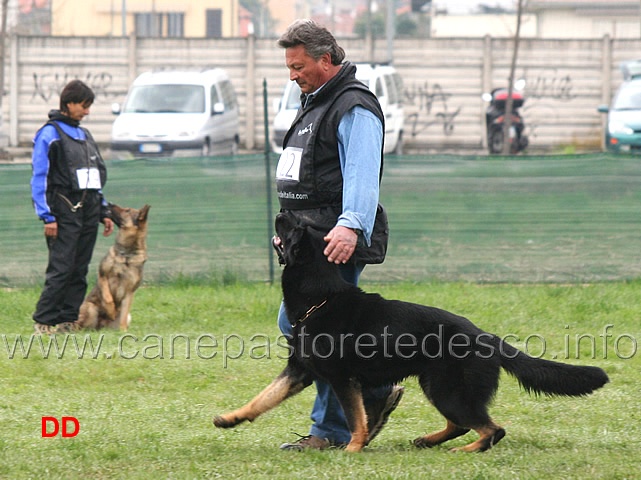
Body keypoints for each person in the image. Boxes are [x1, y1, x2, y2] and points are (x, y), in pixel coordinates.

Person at [274, 19, 403, 451]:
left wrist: (350, 224)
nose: (292, 75)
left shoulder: (354, 106)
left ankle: (331, 431)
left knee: (325, 337)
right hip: (311, 239)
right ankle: (374, 392)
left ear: (325, 59)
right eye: (289, 67)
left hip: (334, 239)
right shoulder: (316, 100)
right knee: (304, 327)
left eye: (298, 66)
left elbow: (363, 175)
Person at [30, 79, 113, 335]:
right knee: (62, 267)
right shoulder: (49, 134)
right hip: (62, 209)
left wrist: (104, 211)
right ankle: (44, 321)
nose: (87, 111)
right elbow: (39, 177)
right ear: (69, 103)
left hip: (88, 209)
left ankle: (68, 320)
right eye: (84, 105)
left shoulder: (85, 135)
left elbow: (94, 176)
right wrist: (47, 216)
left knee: (79, 268)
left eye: (89, 106)